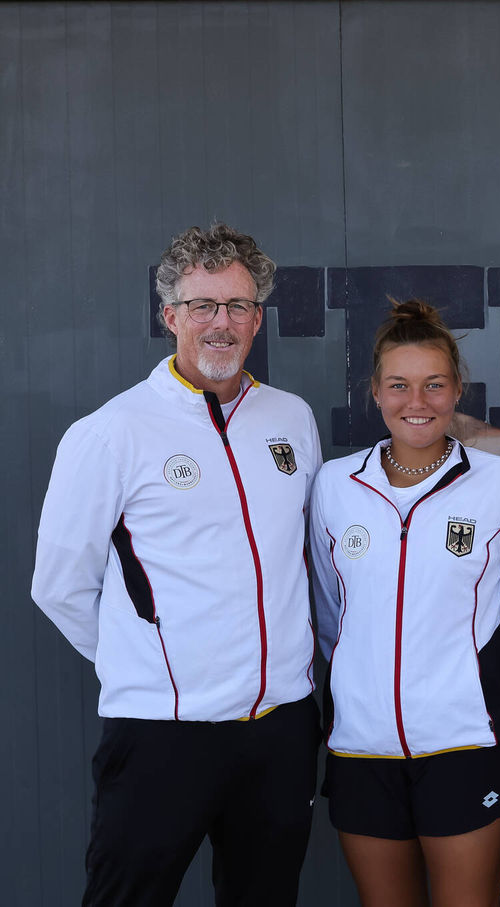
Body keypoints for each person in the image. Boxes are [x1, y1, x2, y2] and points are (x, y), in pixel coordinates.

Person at [30, 224, 322, 905]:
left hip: (279, 729)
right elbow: (60, 584)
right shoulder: (111, 432)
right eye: (203, 306)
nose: (222, 323)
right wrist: (151, 667)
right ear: (170, 315)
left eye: (238, 306)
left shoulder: (292, 419)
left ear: (257, 316)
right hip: (163, 735)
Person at [309, 299, 500, 907]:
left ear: (458, 389)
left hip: (465, 743)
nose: (417, 402)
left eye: (434, 385)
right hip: (361, 744)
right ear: (375, 392)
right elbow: (333, 617)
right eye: (400, 386)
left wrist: (477, 693)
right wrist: (358, 687)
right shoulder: (336, 487)